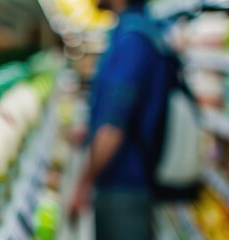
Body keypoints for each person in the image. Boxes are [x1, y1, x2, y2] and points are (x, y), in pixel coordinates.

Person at [67, 0, 174, 239]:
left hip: (124, 187)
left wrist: (82, 184)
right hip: (129, 180)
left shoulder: (132, 41)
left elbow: (113, 128)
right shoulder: (137, 30)